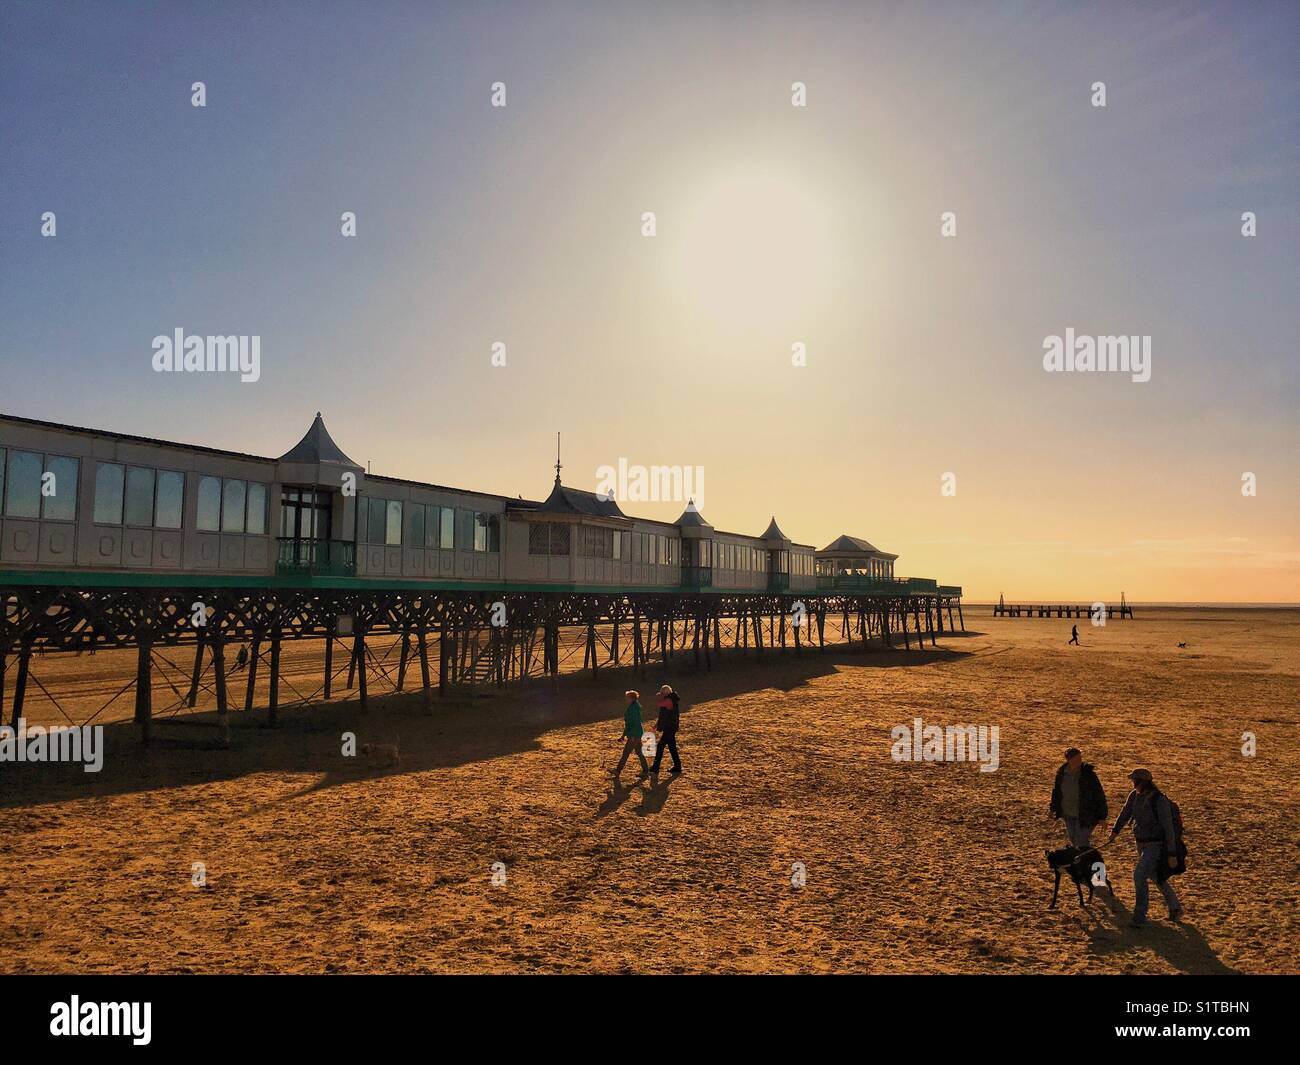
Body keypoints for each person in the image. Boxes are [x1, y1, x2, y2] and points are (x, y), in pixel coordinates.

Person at [1105, 768, 1184, 927]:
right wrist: (1115, 831)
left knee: (1139, 875)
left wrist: (1171, 853)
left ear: (1143, 782)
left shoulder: (1159, 800)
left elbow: (1168, 828)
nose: (1133, 784)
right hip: (1140, 843)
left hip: (1155, 845)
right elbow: (1125, 813)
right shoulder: (1134, 796)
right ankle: (1175, 908)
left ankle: (1139, 916)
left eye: (1135, 781)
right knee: (1156, 876)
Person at [1049, 746, 1107, 847]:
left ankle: (1089, 860)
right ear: (1069, 760)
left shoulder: (1088, 774)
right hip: (1068, 813)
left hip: (1086, 814)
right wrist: (1053, 809)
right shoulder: (1062, 773)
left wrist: (1102, 817)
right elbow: (1057, 792)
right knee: (1074, 840)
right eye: (1076, 759)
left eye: (1080, 758)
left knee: (1081, 841)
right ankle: (1084, 860)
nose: (1079, 761)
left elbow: (1099, 795)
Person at [614, 689, 649, 779]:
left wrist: (632, 735)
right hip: (637, 734)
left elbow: (634, 723)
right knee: (640, 753)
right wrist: (623, 735)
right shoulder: (634, 707)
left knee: (626, 752)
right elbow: (629, 723)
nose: (626, 699)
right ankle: (646, 771)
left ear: (631, 698)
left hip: (635, 734)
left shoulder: (633, 708)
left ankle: (618, 771)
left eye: (627, 697)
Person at [651, 684, 682, 776]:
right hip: (670, 727)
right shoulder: (671, 699)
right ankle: (677, 767)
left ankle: (655, 768)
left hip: (670, 728)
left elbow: (658, 703)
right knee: (672, 748)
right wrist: (656, 725)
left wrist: (659, 696)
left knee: (660, 747)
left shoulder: (669, 700)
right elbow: (663, 715)